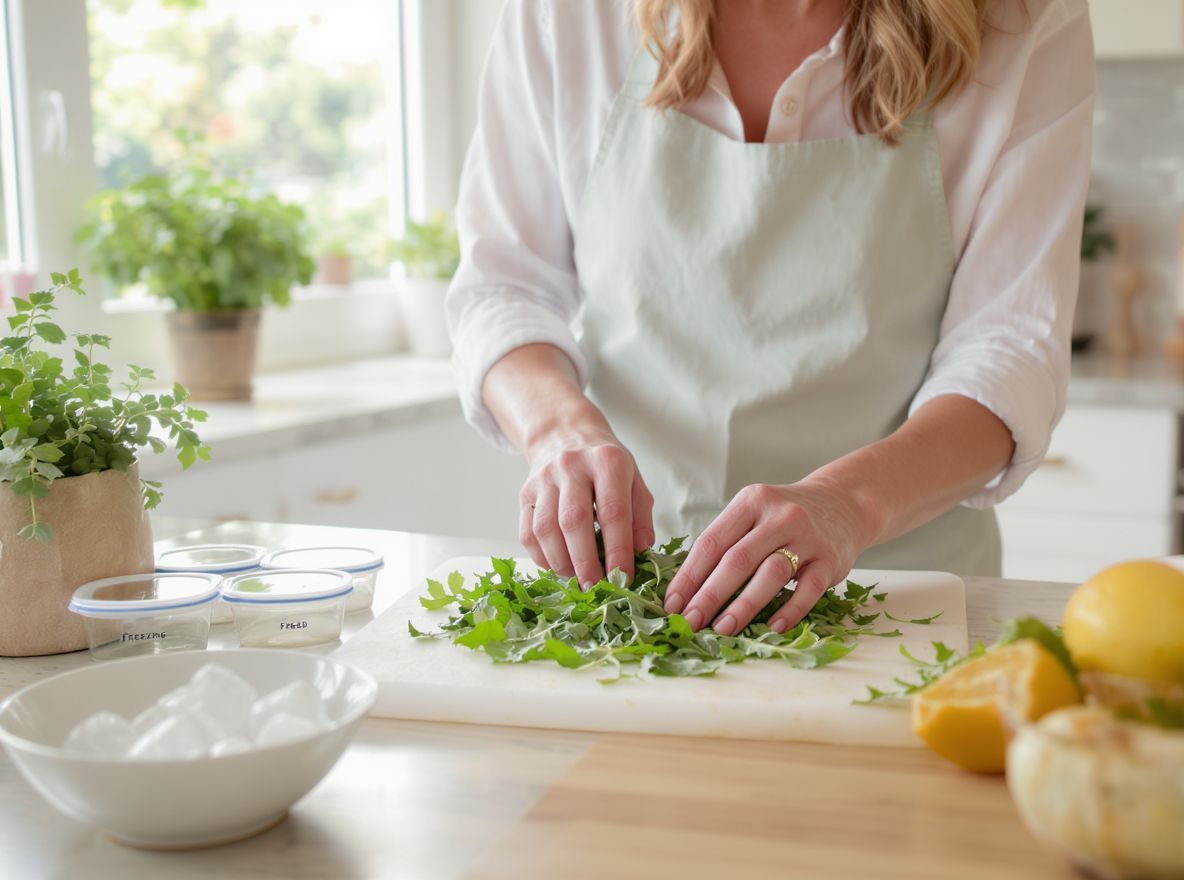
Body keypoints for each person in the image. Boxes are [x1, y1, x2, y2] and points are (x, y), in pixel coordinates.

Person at [447, 0, 1094, 637]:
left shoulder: (1024, 20)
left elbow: (1009, 350)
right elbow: (503, 289)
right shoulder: (566, 14)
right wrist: (559, 431)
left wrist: (847, 504)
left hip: (897, 599)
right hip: (630, 592)